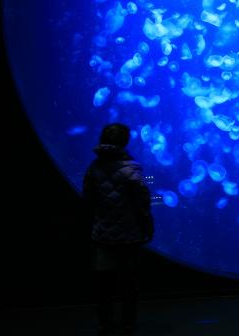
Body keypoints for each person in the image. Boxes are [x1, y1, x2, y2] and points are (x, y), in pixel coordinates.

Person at [83, 123, 154, 335]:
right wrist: (148, 225)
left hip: (102, 234)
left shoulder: (93, 167)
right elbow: (143, 203)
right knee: (129, 283)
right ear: (125, 142)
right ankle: (127, 324)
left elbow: (88, 198)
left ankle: (105, 324)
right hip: (129, 235)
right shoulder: (132, 169)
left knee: (104, 283)